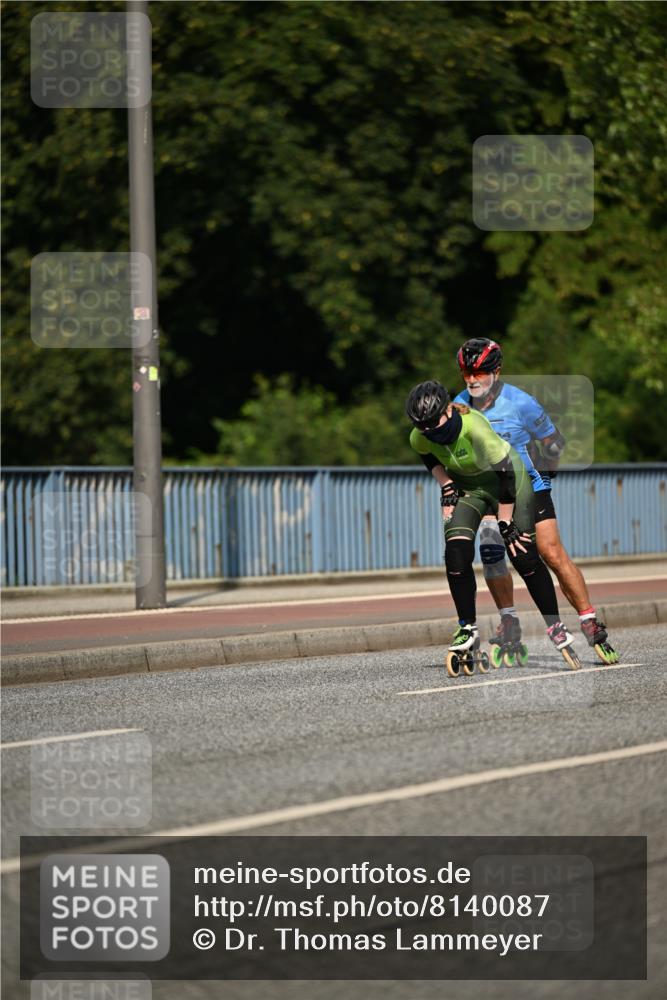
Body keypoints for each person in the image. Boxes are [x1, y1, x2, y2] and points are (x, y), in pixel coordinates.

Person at [452, 338, 618, 665]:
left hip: (529, 483)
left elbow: (554, 442)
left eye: (479, 373)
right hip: (490, 488)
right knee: (492, 551)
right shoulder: (459, 404)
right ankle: (509, 620)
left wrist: (548, 476)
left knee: (551, 553)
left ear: (496, 372)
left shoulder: (521, 403)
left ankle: (589, 621)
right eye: (465, 373)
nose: (471, 380)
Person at [405, 379, 581, 674]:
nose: (429, 431)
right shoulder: (420, 435)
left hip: (510, 482)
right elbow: (427, 458)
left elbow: (508, 478)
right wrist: (446, 483)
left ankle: (555, 625)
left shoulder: (475, 428)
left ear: (448, 412)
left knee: (522, 553)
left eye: (433, 424)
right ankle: (467, 628)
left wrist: (505, 521)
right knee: (456, 553)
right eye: (422, 426)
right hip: (470, 489)